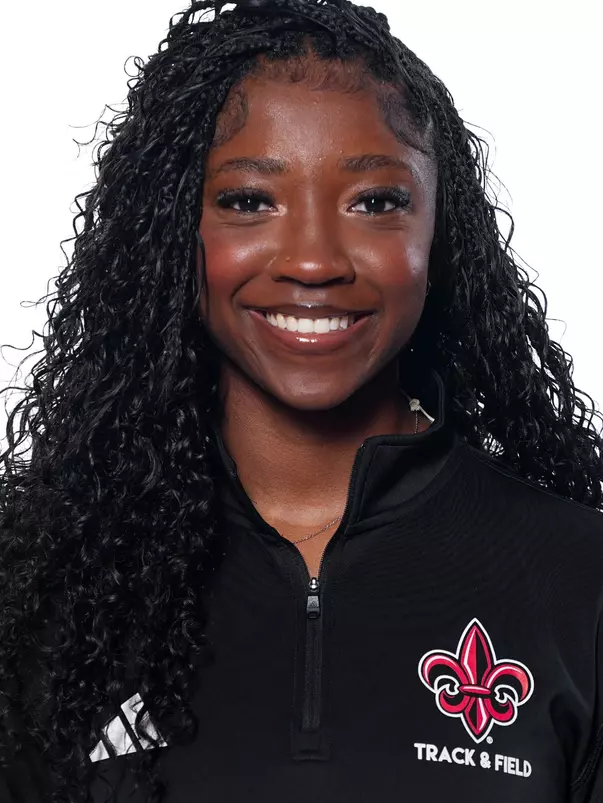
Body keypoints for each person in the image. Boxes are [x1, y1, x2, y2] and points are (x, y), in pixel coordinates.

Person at [1, 0, 602, 800]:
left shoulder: (577, 574)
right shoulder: (35, 581)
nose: (313, 261)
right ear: (171, 232)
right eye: (249, 201)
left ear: (439, 228)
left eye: (374, 202)